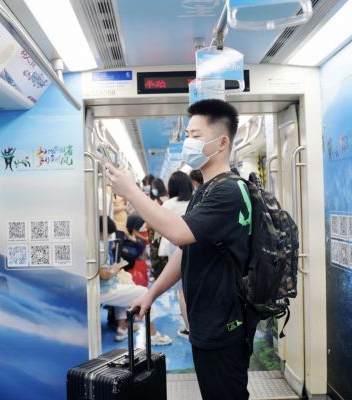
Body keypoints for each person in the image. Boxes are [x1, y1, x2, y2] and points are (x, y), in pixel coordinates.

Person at [106, 99, 258, 399]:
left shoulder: (229, 191)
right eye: (187, 135)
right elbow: (186, 250)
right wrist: (151, 294)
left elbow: (177, 233)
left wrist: (132, 192)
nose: (189, 142)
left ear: (222, 142)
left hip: (225, 323)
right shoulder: (206, 190)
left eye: (196, 136)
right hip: (207, 320)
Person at [98, 216, 172, 346]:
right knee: (143, 293)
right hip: (103, 289)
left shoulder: (96, 244)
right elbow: (104, 275)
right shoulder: (99, 247)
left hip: (103, 287)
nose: (108, 237)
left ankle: (122, 329)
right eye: (108, 235)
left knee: (125, 287)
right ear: (101, 232)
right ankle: (153, 334)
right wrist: (115, 270)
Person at [158, 171, 193, 339]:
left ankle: (189, 329)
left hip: (176, 248)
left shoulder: (168, 205)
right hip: (197, 244)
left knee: (182, 291)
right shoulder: (196, 200)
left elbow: (160, 228)